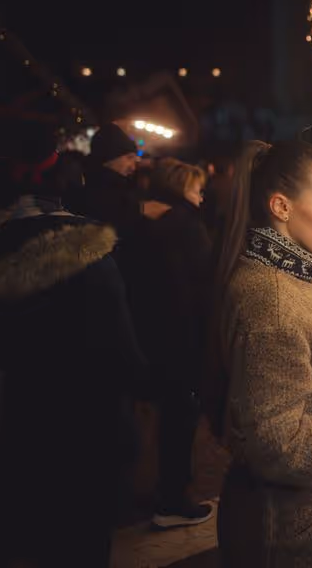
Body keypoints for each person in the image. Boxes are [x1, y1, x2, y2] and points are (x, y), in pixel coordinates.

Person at [0, 121, 146, 568]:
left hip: (27, 419)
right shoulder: (91, 252)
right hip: (91, 420)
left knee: (40, 538)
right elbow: (123, 349)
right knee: (87, 537)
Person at [205, 140, 312, 567]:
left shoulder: (291, 272)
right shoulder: (273, 299)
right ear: (282, 207)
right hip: (295, 530)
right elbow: (277, 444)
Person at [136, 158, 215, 528]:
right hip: (184, 339)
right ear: (180, 186)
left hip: (159, 336)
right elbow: (199, 288)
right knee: (181, 421)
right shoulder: (186, 227)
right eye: (196, 187)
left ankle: (166, 494)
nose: (202, 195)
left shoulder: (151, 225)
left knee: (171, 418)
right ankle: (172, 500)